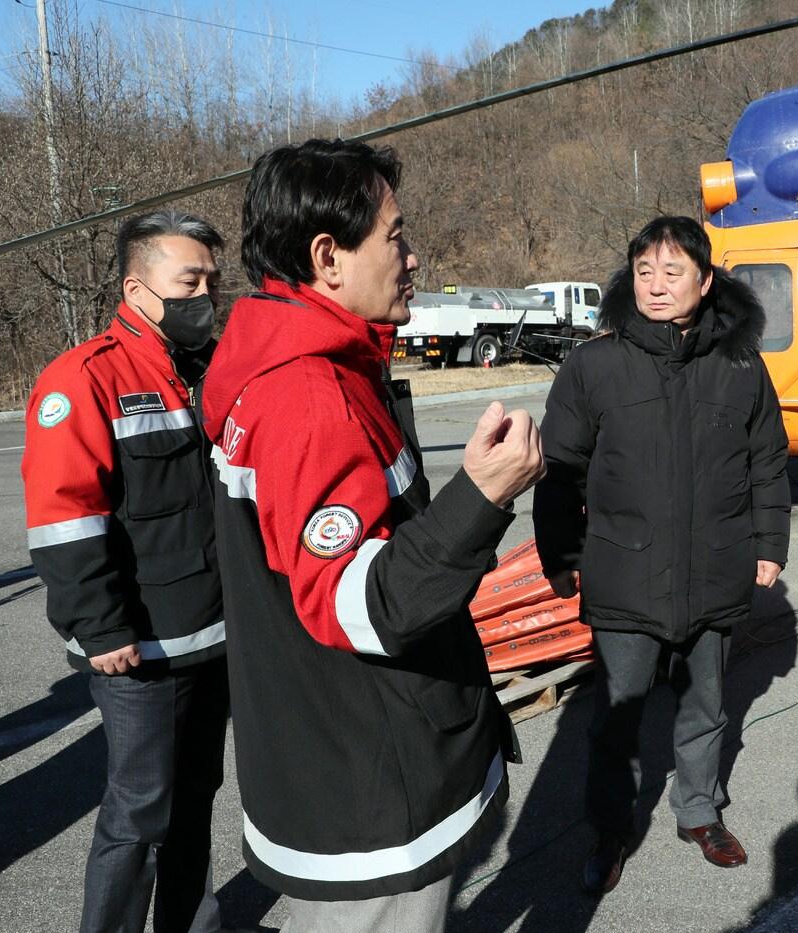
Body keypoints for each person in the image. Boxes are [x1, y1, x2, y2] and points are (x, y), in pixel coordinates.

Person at [201, 138, 543, 933]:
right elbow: (361, 605)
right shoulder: (308, 396)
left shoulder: (290, 364)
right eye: (395, 236)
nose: (413, 256)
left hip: (335, 750)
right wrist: (482, 498)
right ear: (327, 257)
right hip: (369, 781)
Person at [533, 216, 791, 895]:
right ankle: (611, 826)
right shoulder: (594, 364)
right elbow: (560, 466)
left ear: (705, 282)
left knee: (707, 702)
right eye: (644, 270)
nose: (656, 284)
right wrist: (557, 552)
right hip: (624, 568)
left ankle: (699, 811)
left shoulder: (740, 365)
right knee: (616, 714)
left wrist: (768, 543)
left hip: (715, 566)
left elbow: (766, 459)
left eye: (672, 271)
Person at [22, 210, 230, 933]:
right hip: (137, 647)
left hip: (211, 632)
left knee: (198, 794)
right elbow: (63, 517)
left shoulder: (206, 369)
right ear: (137, 288)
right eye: (189, 280)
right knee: (140, 809)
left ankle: (191, 923)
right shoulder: (82, 380)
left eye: (211, 278)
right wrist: (100, 624)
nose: (206, 293)